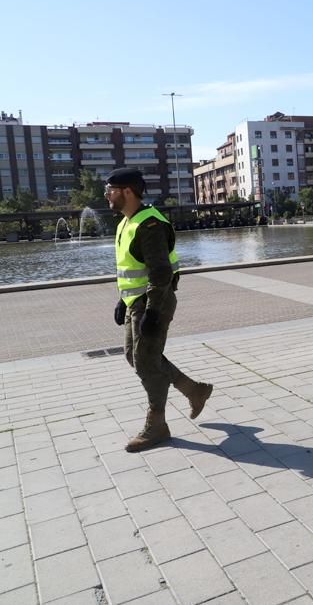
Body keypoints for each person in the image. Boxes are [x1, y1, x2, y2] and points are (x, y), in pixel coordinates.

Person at [106, 168, 213, 452]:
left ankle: (157, 425)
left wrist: (152, 311)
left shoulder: (150, 224)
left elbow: (161, 272)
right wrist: (121, 300)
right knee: (136, 356)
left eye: (111, 190)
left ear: (127, 191)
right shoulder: (125, 223)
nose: (107, 195)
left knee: (145, 361)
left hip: (154, 301)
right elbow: (132, 268)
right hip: (135, 302)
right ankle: (194, 389)